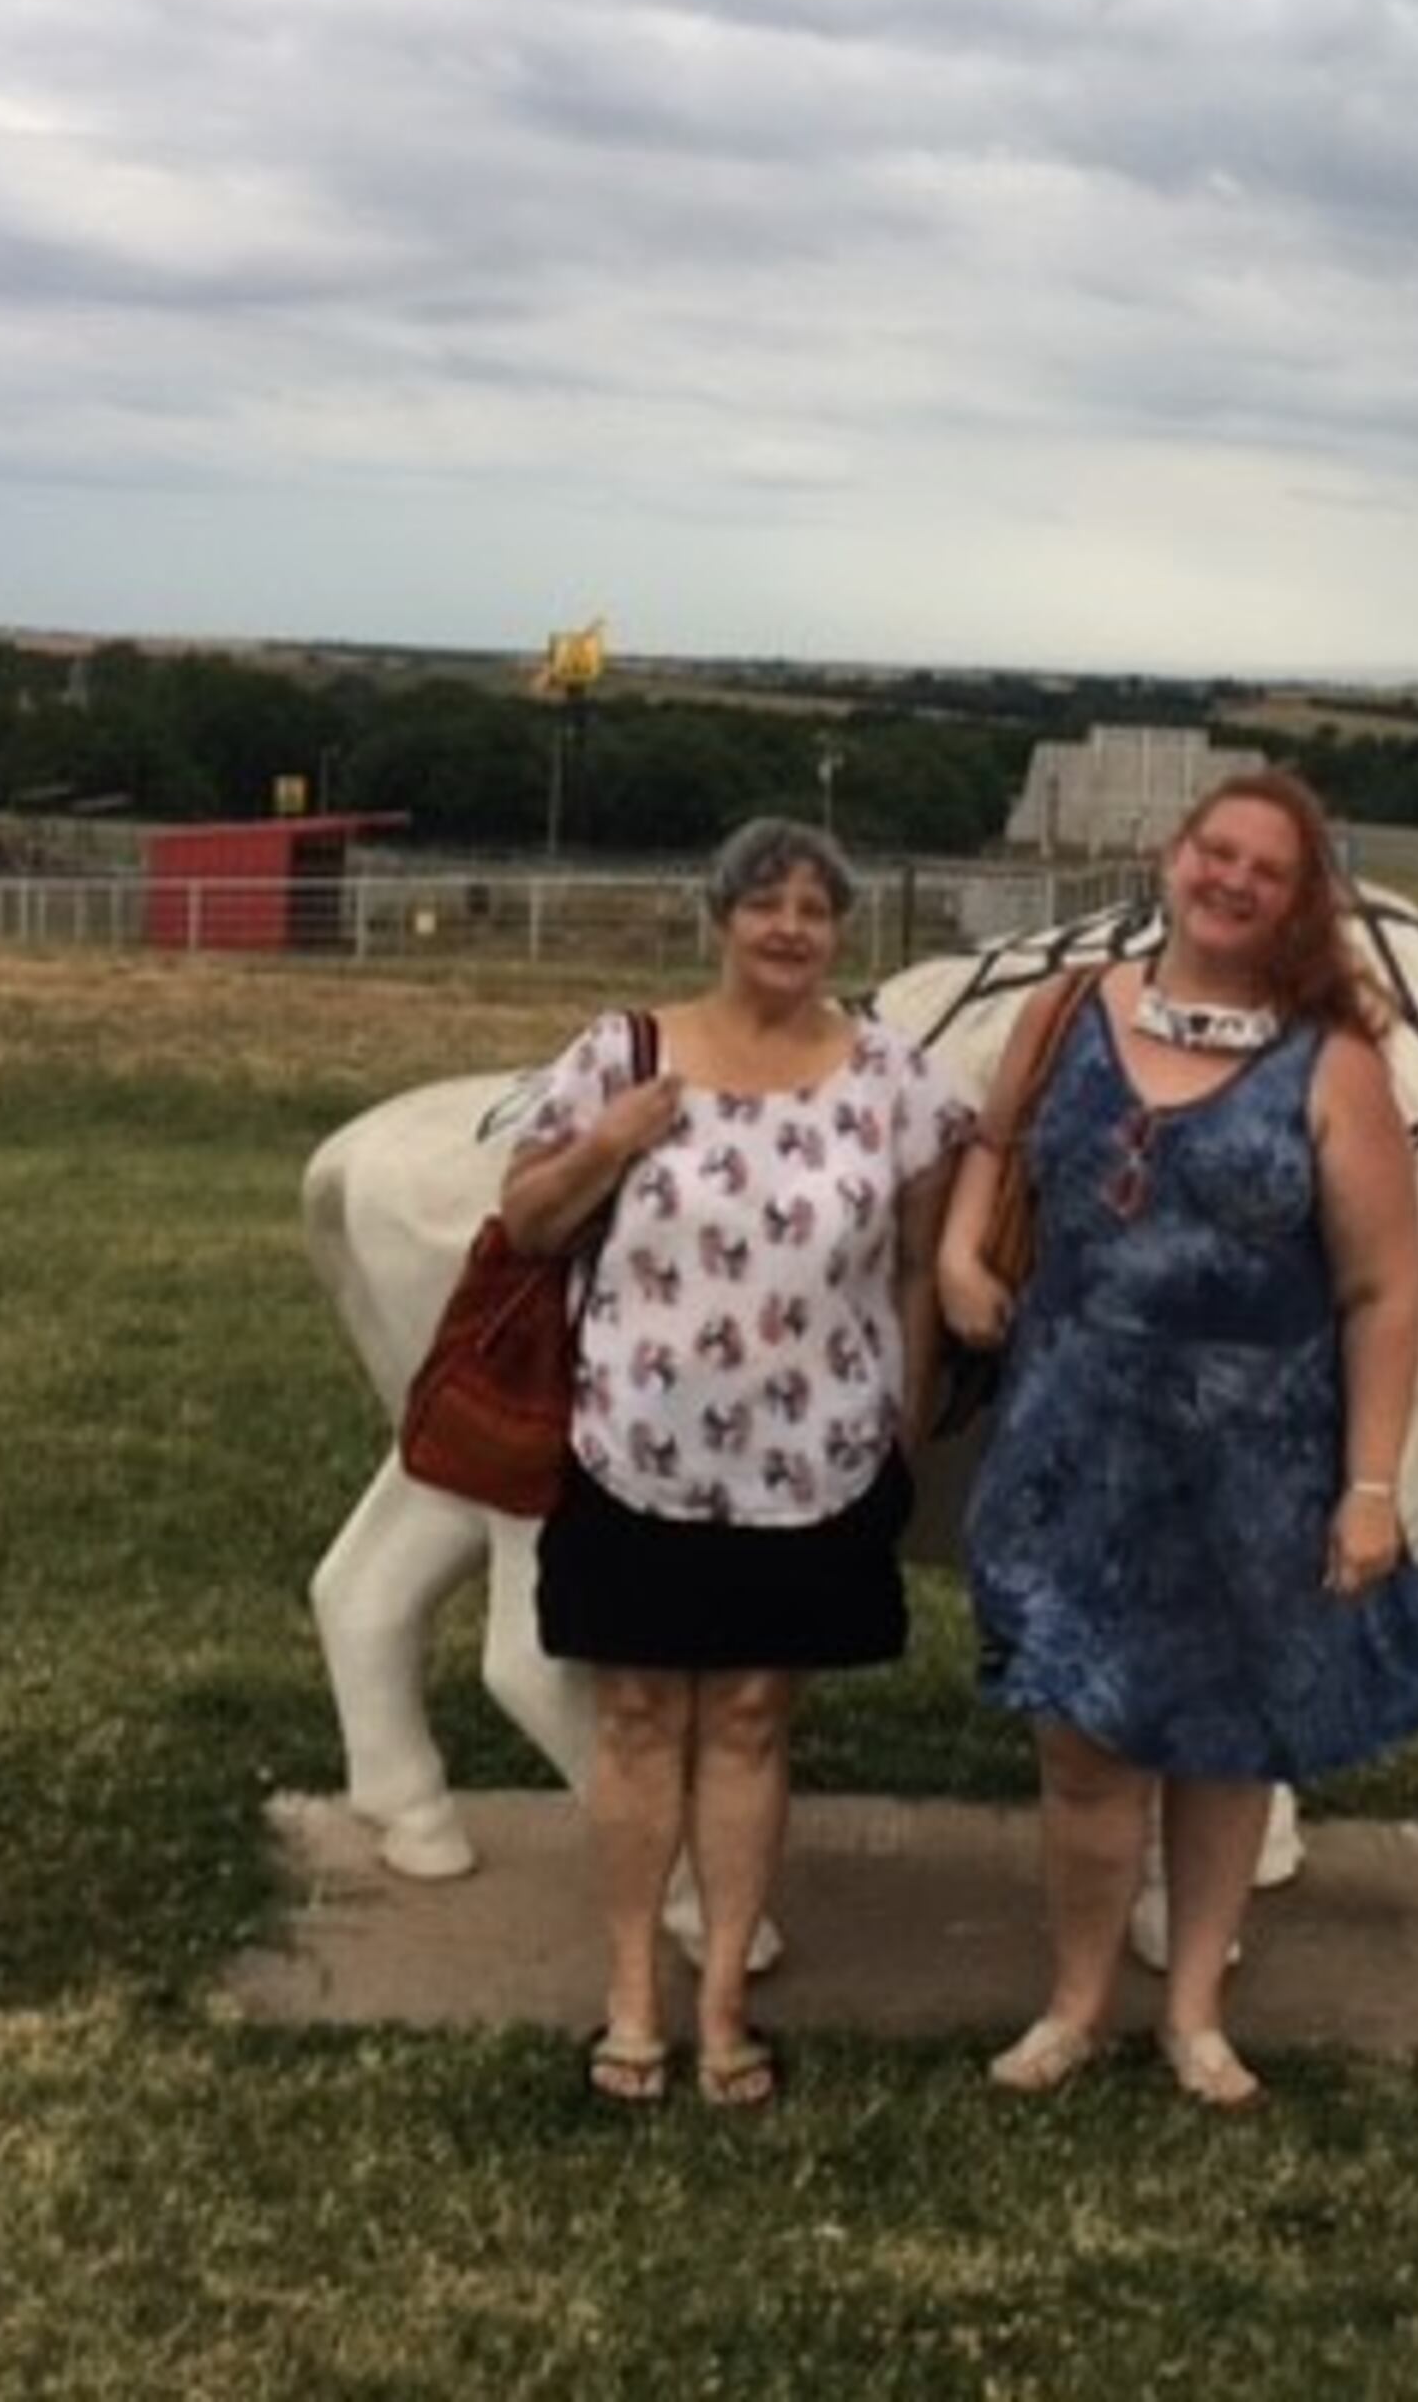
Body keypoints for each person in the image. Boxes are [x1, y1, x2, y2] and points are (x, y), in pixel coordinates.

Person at [938, 767, 1418, 2107]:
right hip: (1076, 1443)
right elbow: (995, 1145)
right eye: (1214, 852)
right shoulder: (1066, 1014)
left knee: (1230, 1742)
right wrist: (958, 1251)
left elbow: (1383, 1287)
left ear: (1300, 905)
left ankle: (1192, 2014)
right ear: (1172, 859)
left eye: (1268, 870)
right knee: (1082, 1741)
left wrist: (1368, 1485)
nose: (1232, 880)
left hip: (1256, 1461)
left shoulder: (1334, 1060)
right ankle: (1073, 2005)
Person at [509, 817, 971, 2107]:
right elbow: (527, 1219)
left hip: (811, 1459)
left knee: (758, 1717)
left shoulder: (893, 1078)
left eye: (815, 911)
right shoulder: (626, 1052)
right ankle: (629, 2001)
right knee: (641, 1715)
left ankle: (722, 2012)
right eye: (765, 904)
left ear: (841, 934)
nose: (789, 929)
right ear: (720, 917)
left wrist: (911, 1405)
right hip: (633, 1450)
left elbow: (921, 1262)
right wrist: (613, 1142)